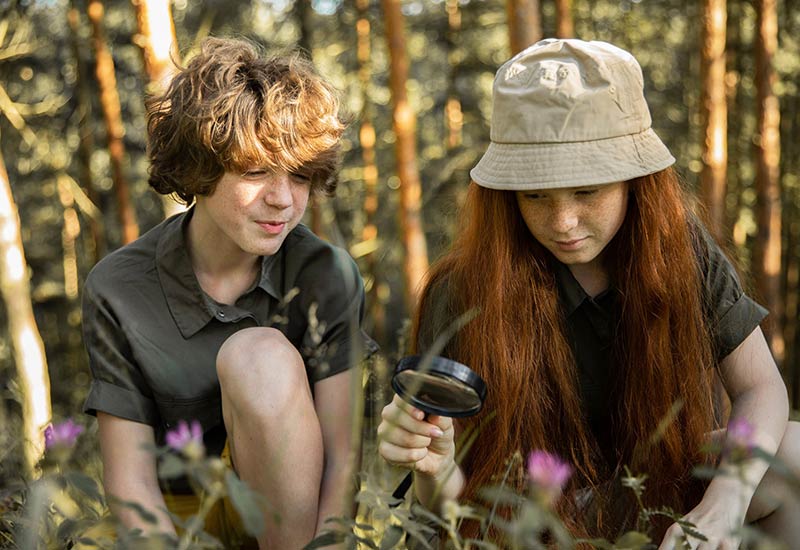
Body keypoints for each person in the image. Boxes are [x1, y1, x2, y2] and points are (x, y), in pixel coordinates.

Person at [377, 39, 800, 548]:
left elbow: (762, 389)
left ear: (635, 181)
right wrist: (432, 466)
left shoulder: (682, 252)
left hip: (655, 499)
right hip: (517, 517)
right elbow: (450, 506)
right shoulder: (462, 289)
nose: (563, 223)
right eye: (534, 195)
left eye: (587, 191)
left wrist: (725, 501)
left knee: (793, 456)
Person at [82, 37, 376, 549]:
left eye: (301, 175)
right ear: (200, 169)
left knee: (258, 354)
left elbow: (343, 464)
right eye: (256, 172)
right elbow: (130, 483)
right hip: (177, 527)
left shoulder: (329, 275)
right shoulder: (118, 288)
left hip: (296, 528)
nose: (282, 200)